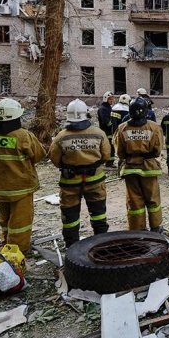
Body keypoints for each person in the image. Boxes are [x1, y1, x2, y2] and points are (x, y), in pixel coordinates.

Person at [0, 98, 46, 253]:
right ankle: (18, 249)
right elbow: (39, 155)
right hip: (20, 186)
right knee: (21, 220)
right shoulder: (23, 136)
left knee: (5, 216)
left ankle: (5, 242)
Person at [48, 99, 110, 247]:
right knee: (98, 214)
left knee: (70, 217)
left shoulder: (61, 136)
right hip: (95, 182)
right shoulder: (99, 134)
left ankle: (72, 246)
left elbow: (55, 159)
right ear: (87, 114)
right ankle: (102, 244)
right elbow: (106, 156)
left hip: (69, 184)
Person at [113, 98, 165, 232]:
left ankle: (137, 228)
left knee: (134, 201)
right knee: (153, 199)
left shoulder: (122, 128)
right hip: (149, 169)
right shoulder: (154, 127)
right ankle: (156, 226)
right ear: (146, 112)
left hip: (130, 169)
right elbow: (157, 150)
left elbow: (119, 151)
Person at [97, 91, 117, 167]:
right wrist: (111, 125)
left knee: (111, 147)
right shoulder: (103, 109)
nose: (112, 101)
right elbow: (105, 121)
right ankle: (108, 162)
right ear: (106, 99)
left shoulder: (108, 107)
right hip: (106, 132)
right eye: (110, 99)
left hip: (111, 131)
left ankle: (110, 162)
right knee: (109, 147)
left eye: (112, 99)